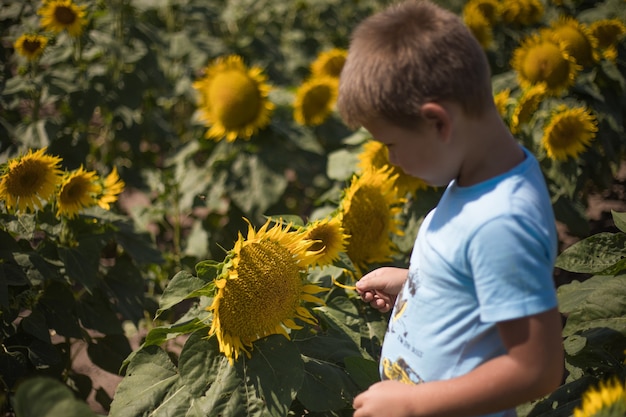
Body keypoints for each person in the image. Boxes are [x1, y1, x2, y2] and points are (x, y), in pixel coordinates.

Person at [336, 1, 564, 416]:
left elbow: (540, 368)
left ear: (438, 123)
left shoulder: (502, 222)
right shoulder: (477, 177)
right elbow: (479, 283)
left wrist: (415, 405)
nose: (391, 160)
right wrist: (417, 285)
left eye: (391, 144)